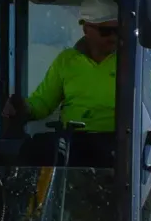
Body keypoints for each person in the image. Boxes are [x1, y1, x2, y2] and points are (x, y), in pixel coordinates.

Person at [20, 12, 120, 143]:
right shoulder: (66, 60)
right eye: (106, 31)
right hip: (73, 141)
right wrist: (23, 108)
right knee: (31, 149)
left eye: (117, 30)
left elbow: (149, 103)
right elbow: (44, 101)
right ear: (86, 29)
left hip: (116, 143)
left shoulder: (132, 61)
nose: (113, 36)